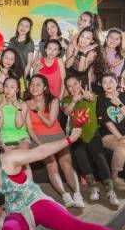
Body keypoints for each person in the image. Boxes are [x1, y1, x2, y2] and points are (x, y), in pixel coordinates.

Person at [25, 74, 85, 208]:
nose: (34, 87)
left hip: (57, 136)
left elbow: (50, 123)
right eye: (32, 84)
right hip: (39, 139)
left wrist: (37, 111)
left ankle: (77, 194)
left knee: (66, 164)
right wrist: (40, 144)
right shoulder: (26, 103)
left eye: (38, 84)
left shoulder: (53, 100)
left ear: (44, 87)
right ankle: (65, 195)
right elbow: (29, 128)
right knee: (51, 165)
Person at [62, 75, 119, 206]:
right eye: (69, 86)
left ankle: (110, 190)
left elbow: (92, 98)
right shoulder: (67, 99)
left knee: (100, 158)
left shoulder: (90, 94)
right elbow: (66, 112)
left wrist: (88, 96)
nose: (72, 88)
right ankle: (93, 187)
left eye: (75, 84)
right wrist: (74, 101)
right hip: (77, 135)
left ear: (80, 83)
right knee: (81, 157)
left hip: (93, 133)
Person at [0, 76, 31, 150]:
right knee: (8, 156)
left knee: (22, 155)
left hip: (22, 138)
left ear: (17, 90)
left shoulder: (23, 104)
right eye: (6, 86)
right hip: (5, 138)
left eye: (12, 87)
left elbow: (18, 126)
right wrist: (1, 107)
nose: (8, 89)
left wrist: (18, 107)